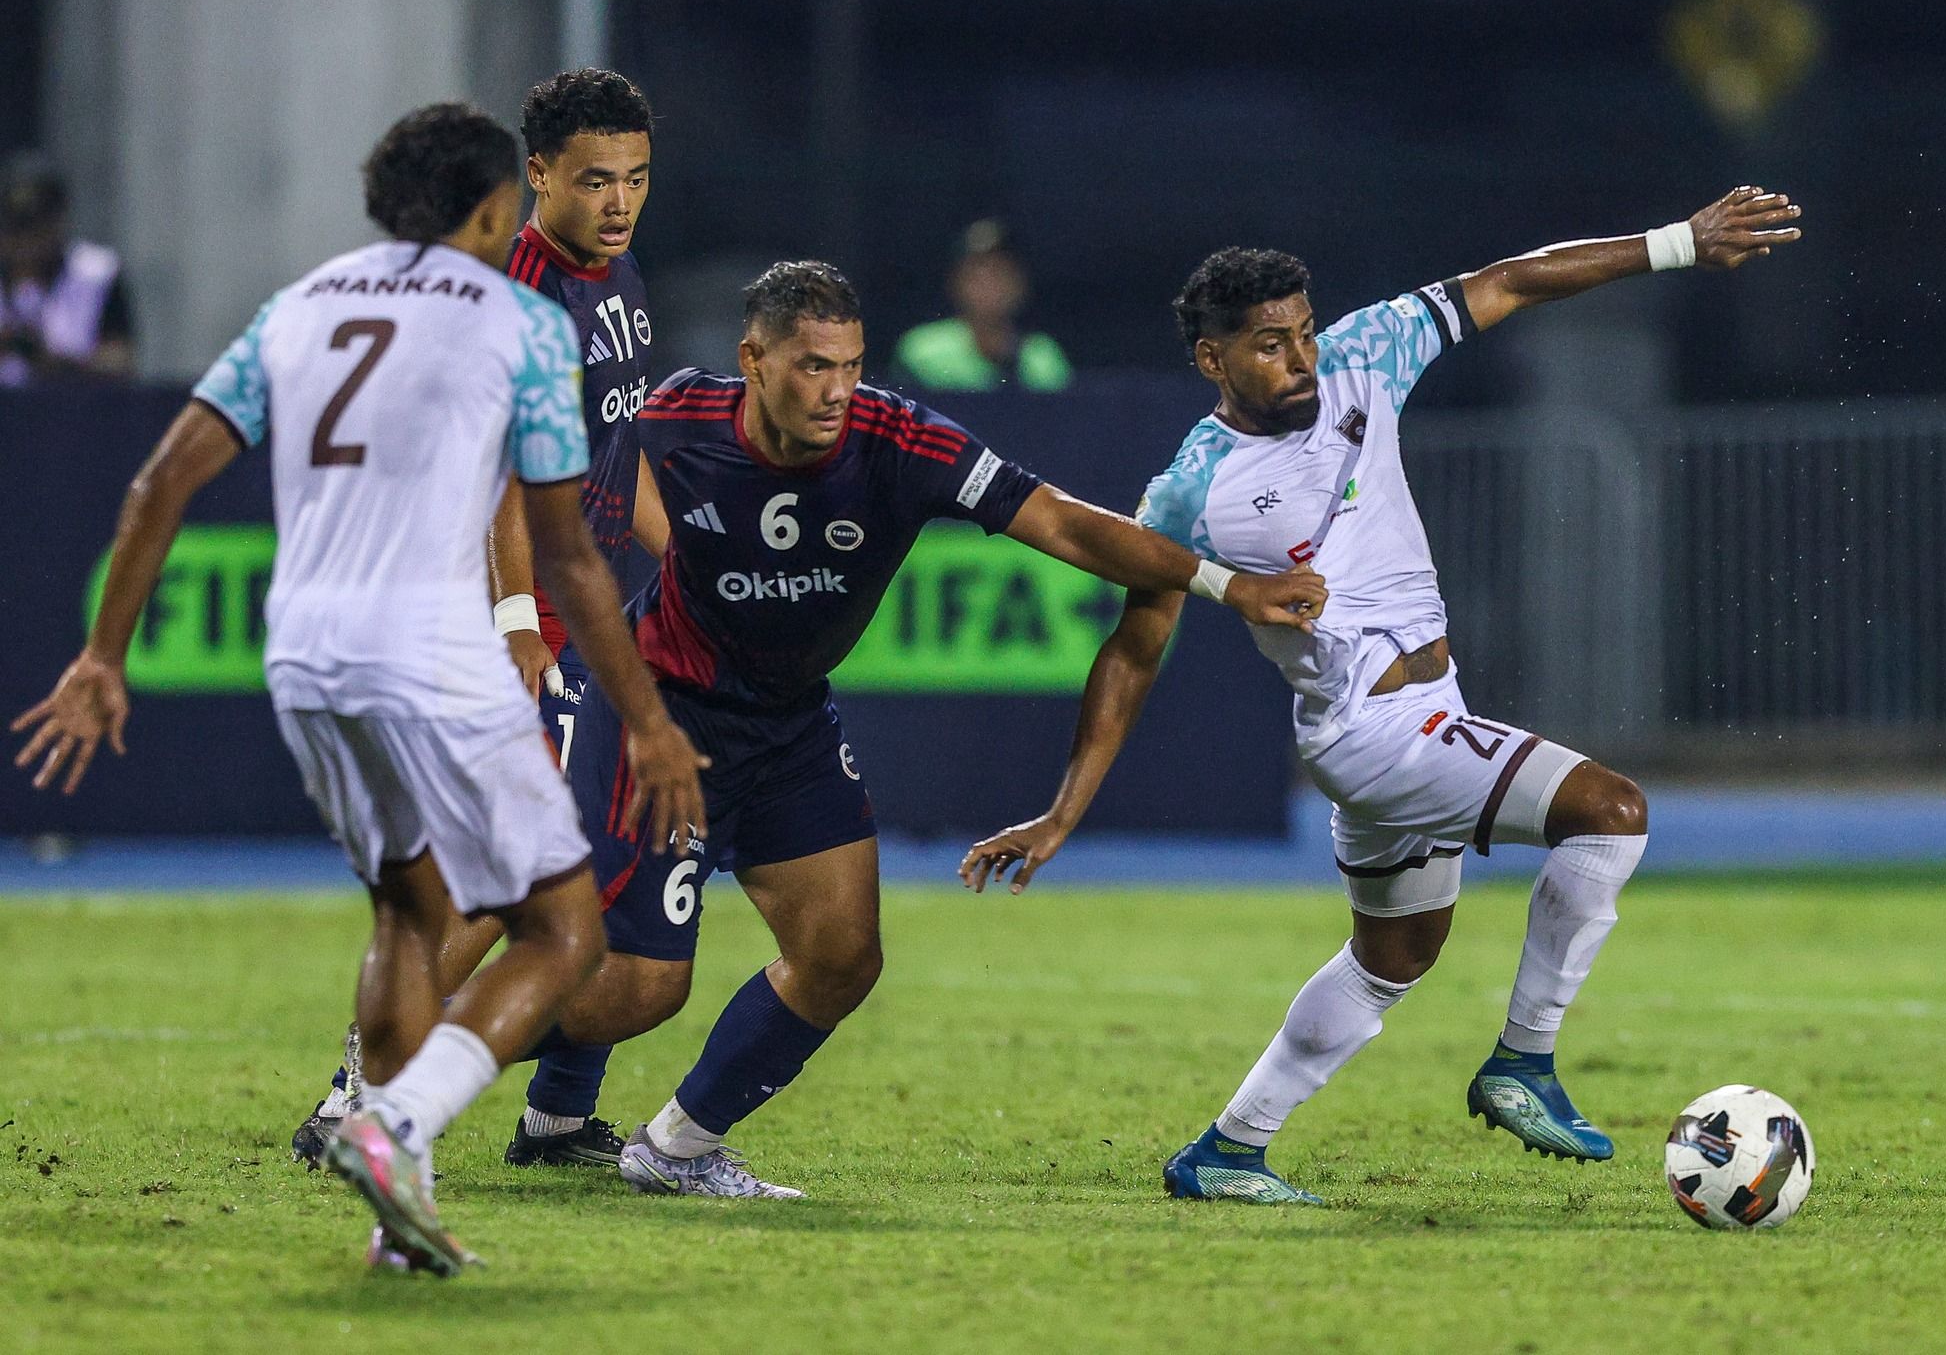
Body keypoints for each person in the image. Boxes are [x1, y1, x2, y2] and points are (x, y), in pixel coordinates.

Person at [961, 188, 1803, 1203]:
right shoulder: (1194, 487)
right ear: (1211, 359)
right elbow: (1134, 648)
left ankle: (1227, 1150)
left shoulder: (1368, 353)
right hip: (1372, 731)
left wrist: (1674, 244)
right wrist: (1063, 813)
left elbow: (1512, 278)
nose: (1299, 360)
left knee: (1391, 957)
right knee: (1611, 814)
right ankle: (1523, 1061)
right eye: (1268, 345)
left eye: (1302, 333)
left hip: (1418, 712)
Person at [460, 259, 1323, 1200]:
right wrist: (519, 615)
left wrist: (1226, 583)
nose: (837, 391)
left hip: (787, 726)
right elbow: (537, 474)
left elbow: (1068, 528)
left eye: (851, 365)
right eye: (812, 368)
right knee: (638, 988)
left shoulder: (901, 439)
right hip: (668, 716)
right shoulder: (674, 418)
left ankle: (674, 1147)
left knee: (841, 956)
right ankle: (413, 1053)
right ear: (753, 360)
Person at [10, 104, 704, 1273]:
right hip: (434, 649)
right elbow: (570, 550)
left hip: (306, 655)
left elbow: (161, 478)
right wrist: (646, 717)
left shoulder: (303, 304)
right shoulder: (521, 322)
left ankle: (394, 1206)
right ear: (495, 207)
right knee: (561, 926)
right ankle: (399, 1119)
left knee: (406, 908)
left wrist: (101, 656)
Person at [290, 67, 670, 1176]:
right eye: (595, 179)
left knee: (588, 860)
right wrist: (516, 625)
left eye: (637, 178)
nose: (619, 201)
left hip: (579, 614)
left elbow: (612, 444)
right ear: (535, 174)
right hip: (506, 617)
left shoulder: (616, 274)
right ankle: (354, 1098)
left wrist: (678, 560)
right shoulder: (515, 290)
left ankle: (549, 1116)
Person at [889, 219, 1071, 392]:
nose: (990, 286)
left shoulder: (1043, 356)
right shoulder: (921, 351)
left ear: (1020, 284)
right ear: (956, 283)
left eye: (1000, 274)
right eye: (978, 276)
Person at [0, 154, 135, 384]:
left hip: (76, 413)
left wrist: (53, 360)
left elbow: (121, 365)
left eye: (36, 229)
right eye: (15, 229)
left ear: (59, 221)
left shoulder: (95, 274)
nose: (26, 242)